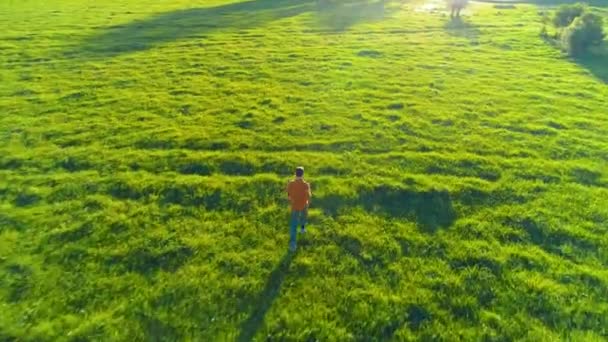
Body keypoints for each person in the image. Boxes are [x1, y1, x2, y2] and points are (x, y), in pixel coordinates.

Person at [286, 166, 311, 252]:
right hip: (304, 204)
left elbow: (288, 196)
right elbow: (309, 196)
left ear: (295, 174)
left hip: (294, 206)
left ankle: (293, 244)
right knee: (304, 216)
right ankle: (303, 229)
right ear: (303, 174)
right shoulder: (306, 185)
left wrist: (292, 200)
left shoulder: (291, 183)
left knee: (293, 224)